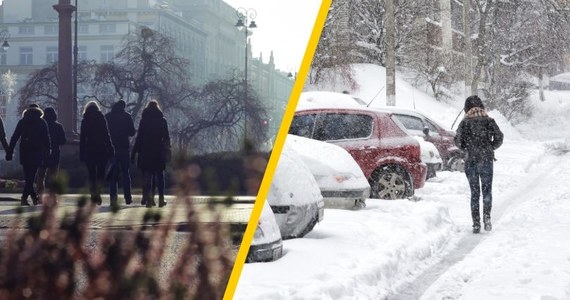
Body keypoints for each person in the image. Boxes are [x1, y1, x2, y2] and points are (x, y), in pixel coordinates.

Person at [454, 95, 504, 233]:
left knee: (475, 192)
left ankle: (476, 223)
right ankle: (487, 218)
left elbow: (457, 141)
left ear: (467, 108)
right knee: (487, 190)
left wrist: (467, 148)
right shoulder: (489, 120)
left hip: (471, 161)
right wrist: (490, 147)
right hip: (486, 160)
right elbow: (500, 137)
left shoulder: (465, 122)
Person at [7, 104, 51, 206]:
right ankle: (24, 198)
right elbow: (46, 137)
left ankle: (33, 197)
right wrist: (48, 150)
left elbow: (15, 136)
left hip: (24, 152)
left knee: (29, 177)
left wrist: (10, 151)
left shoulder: (22, 122)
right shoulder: (42, 122)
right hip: (37, 152)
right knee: (31, 177)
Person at [131, 100, 170, 208]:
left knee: (148, 175)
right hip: (159, 151)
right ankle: (161, 199)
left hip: (146, 151)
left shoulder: (144, 121)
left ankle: (148, 199)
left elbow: (139, 138)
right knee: (160, 176)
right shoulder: (162, 121)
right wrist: (167, 151)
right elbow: (166, 138)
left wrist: (134, 153)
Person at [79, 101, 114, 205]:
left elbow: (82, 138)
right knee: (100, 175)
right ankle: (97, 193)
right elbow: (106, 135)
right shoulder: (101, 118)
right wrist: (110, 148)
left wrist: (82, 153)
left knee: (91, 174)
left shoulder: (85, 120)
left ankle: (93, 195)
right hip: (101, 149)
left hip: (89, 150)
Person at [105, 100, 136, 206]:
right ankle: (128, 198)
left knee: (113, 175)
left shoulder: (108, 116)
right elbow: (132, 132)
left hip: (111, 148)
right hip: (124, 147)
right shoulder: (127, 116)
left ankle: (113, 200)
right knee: (125, 173)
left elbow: (104, 132)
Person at [36, 107, 66, 197]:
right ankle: (52, 196)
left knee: (40, 176)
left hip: (42, 154)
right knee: (53, 177)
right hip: (55, 154)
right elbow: (63, 141)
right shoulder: (59, 126)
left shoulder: (40, 125)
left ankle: (40, 195)